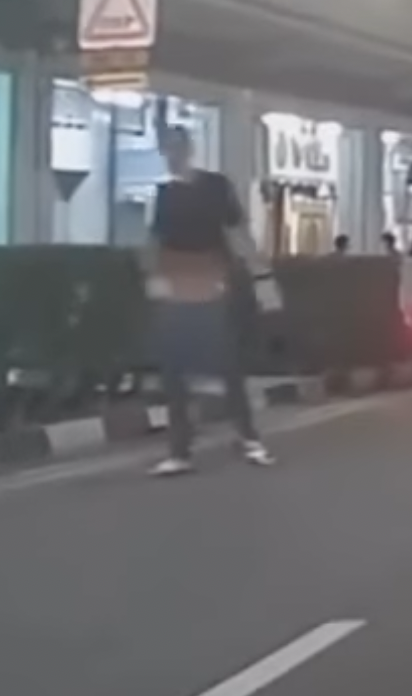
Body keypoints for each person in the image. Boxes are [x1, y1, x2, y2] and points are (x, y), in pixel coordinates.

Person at [145, 125, 277, 476]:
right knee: (174, 370)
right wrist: (155, 278)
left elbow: (238, 233)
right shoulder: (165, 194)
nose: (171, 157)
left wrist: (262, 278)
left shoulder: (216, 187)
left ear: (188, 149)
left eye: (175, 149)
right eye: (165, 151)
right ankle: (180, 450)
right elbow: (156, 241)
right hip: (176, 284)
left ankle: (249, 437)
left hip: (213, 282)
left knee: (227, 364)